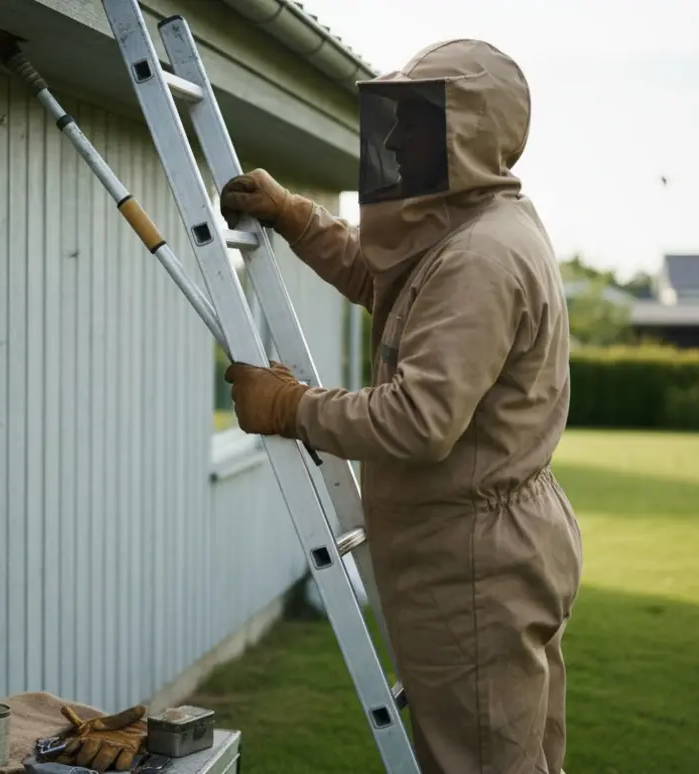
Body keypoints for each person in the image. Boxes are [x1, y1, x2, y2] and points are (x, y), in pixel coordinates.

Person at [218, 39, 584, 774]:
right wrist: (297, 217)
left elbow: (419, 420)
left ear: (466, 132)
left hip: (472, 563)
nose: (393, 141)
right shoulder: (473, 226)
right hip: (489, 544)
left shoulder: (482, 257)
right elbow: (389, 279)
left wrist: (292, 406)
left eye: (415, 123)